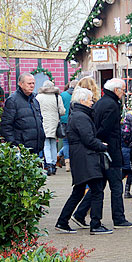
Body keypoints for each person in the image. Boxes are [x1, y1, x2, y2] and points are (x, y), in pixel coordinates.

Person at [73, 78, 132, 229]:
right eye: (122, 90)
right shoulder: (112, 105)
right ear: (116, 90)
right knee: (116, 186)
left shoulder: (102, 101)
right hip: (110, 150)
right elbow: (106, 128)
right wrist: (101, 144)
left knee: (99, 185)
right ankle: (119, 218)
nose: (124, 93)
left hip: (102, 150)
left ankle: (80, 213)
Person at [54, 88, 112, 235]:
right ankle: (95, 224)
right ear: (82, 101)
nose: (92, 102)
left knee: (79, 191)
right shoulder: (81, 117)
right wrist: (101, 146)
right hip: (86, 157)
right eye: (90, 99)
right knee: (97, 190)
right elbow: (88, 139)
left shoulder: (77, 115)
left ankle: (63, 221)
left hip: (80, 157)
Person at [0, 73, 45, 155]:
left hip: (36, 147)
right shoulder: (13, 100)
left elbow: (39, 120)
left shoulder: (34, 100)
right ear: (21, 84)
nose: (32, 86)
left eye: (33, 83)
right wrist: (13, 145)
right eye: (29, 83)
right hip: (21, 149)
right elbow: (6, 125)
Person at [36, 80, 66, 175]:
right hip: (54, 122)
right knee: (53, 144)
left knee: (46, 144)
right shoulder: (57, 97)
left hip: (43, 122)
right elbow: (62, 111)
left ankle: (48, 165)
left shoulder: (39, 97)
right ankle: (53, 164)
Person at [58, 80, 78, 172]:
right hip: (75, 120)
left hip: (64, 120)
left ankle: (67, 163)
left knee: (66, 141)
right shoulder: (78, 95)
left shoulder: (63, 95)